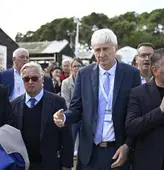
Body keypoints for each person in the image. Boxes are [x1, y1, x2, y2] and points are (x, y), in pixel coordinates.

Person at [53, 28, 141, 170]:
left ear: (115, 48)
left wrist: (128, 145)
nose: (101, 54)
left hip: (118, 152)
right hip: (90, 153)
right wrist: (64, 118)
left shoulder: (132, 74)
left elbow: (136, 114)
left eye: (105, 49)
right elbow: (76, 109)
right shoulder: (84, 74)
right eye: (97, 50)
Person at [9, 62, 73, 170]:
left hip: (50, 164)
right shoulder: (14, 105)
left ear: (42, 79)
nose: (30, 82)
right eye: (26, 79)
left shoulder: (57, 102)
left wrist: (66, 164)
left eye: (34, 78)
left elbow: (66, 135)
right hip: (23, 164)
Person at [126, 48, 164, 170]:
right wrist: (160, 110)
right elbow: (131, 127)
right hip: (150, 164)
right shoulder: (138, 93)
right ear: (155, 70)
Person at [61, 58, 83, 157]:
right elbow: (66, 100)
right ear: (71, 68)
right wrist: (76, 111)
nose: (77, 68)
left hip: (85, 116)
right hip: (72, 115)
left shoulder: (86, 80)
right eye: (74, 66)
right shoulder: (66, 82)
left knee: (84, 143)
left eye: (79, 66)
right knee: (71, 140)